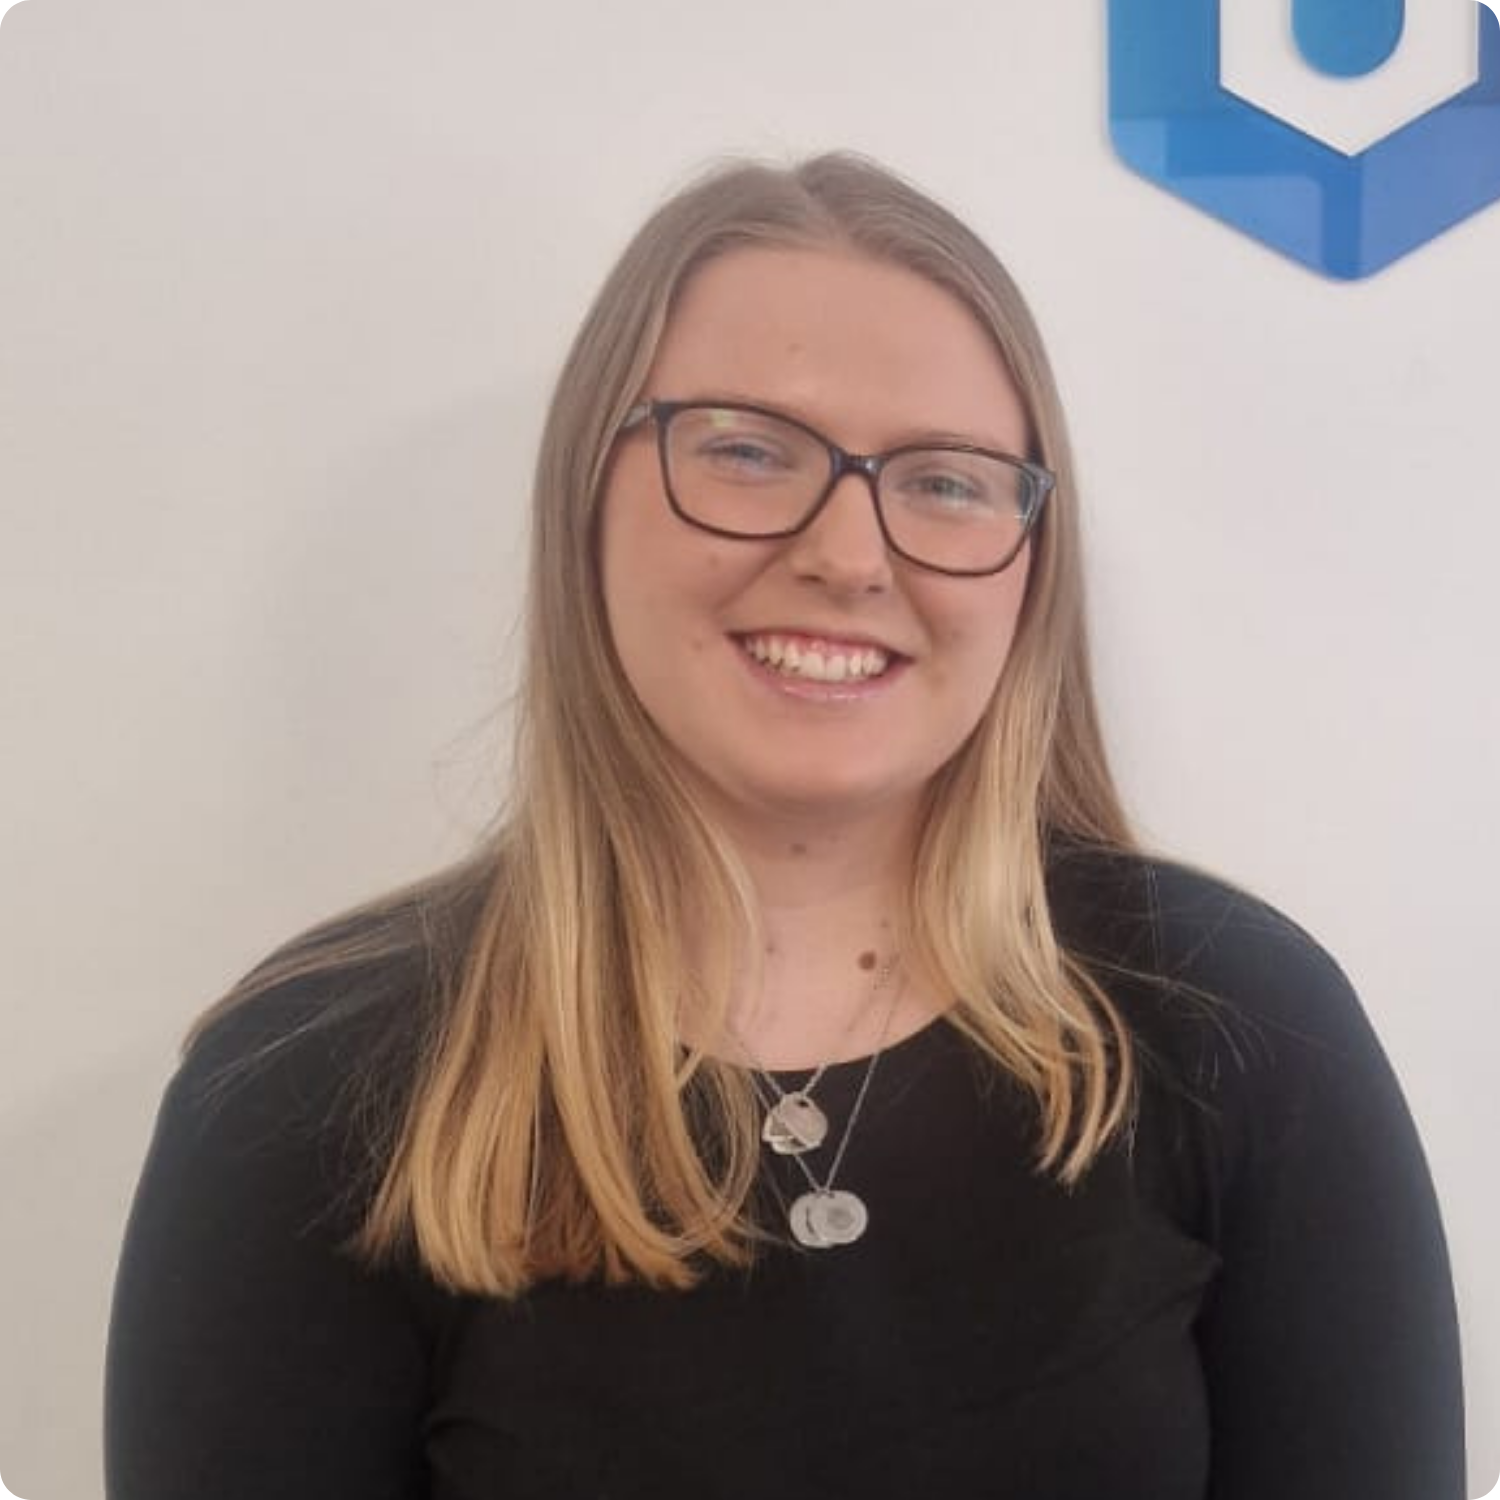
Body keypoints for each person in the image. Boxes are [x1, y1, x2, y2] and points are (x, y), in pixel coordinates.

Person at [103, 153, 1466, 1500]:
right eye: (748, 451)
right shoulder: (296, 1090)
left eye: (944, 481)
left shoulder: (1239, 1023)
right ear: (587, 495)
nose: (849, 555)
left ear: (1030, 566)